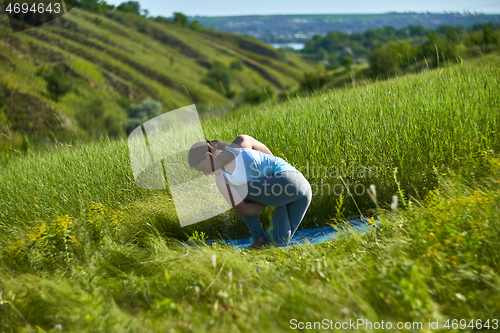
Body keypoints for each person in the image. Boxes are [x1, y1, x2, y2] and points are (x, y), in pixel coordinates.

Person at [188, 135, 312, 250]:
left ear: (209, 155)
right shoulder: (242, 141)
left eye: (203, 168)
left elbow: (245, 211)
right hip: (303, 188)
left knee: (238, 193)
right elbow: (271, 158)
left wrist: (274, 184)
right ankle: (265, 238)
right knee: (278, 242)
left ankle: (259, 239)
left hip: (286, 180)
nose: (205, 174)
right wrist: (273, 191)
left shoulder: (222, 179)